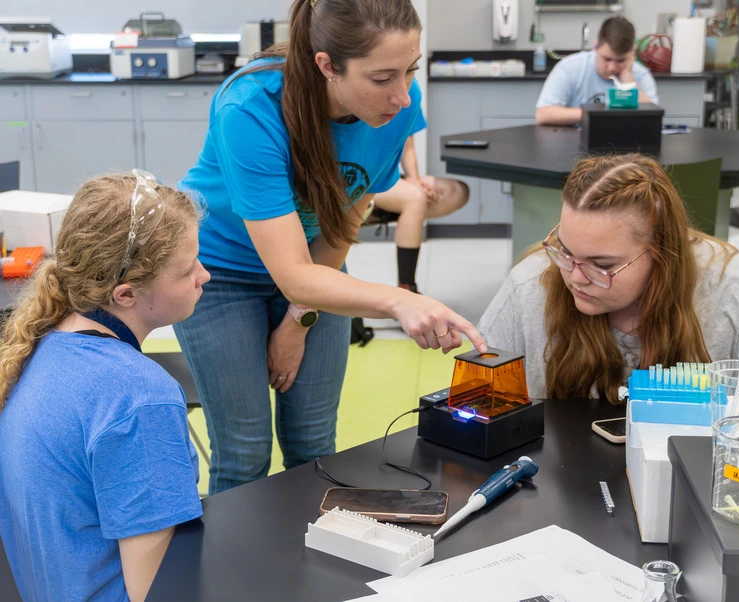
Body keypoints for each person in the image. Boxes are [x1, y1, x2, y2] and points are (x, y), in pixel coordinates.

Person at [176, 0, 486, 495]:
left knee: (314, 444)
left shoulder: (398, 108)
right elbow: (293, 272)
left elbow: (342, 224)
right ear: (327, 65)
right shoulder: (251, 108)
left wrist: (297, 322)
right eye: (383, 77)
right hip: (221, 274)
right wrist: (402, 297)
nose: (402, 96)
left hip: (315, 266)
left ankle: (309, 568)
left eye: (411, 71)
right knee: (244, 449)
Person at [0, 171, 208, 601]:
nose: (203, 276)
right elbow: (158, 591)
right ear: (126, 295)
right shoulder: (139, 398)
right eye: (188, 269)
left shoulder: (35, 349)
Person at [479, 154, 739, 402]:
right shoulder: (529, 286)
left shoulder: (738, 292)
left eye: (601, 264)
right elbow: (477, 404)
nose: (574, 277)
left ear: (661, 251)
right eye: (565, 250)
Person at [369, 129, 470, 293]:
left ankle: (388, 209)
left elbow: (407, 146)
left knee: (458, 193)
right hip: (359, 171)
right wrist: (416, 190)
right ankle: (407, 286)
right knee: (416, 198)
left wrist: (415, 181)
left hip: (384, 174)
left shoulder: (410, 105)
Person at [535, 16, 659, 127]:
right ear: (595, 47)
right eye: (607, 59)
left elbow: (653, 119)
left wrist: (629, 82)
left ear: (631, 53)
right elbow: (543, 114)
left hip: (624, 146)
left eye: (621, 60)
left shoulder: (641, 75)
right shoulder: (570, 67)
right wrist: (597, 115)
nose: (612, 68)